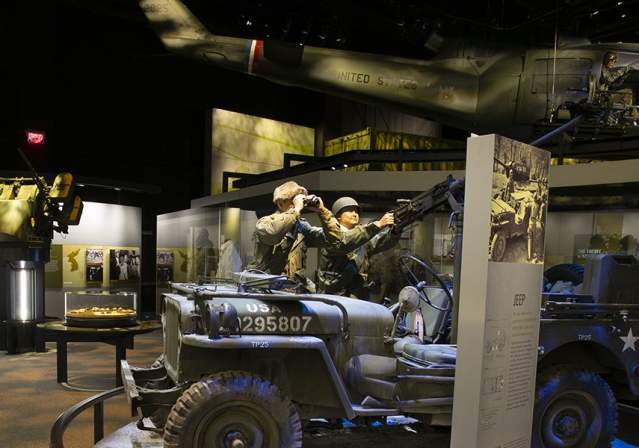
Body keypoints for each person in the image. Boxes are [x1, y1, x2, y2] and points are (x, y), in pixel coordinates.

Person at [246, 181, 340, 284]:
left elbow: (334, 239)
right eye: (292, 200)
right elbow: (274, 232)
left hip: (292, 287)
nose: (296, 203)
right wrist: (296, 210)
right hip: (266, 286)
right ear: (280, 203)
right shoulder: (265, 223)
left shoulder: (301, 227)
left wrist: (322, 211)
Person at [317, 197, 399, 300]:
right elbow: (346, 241)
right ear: (338, 216)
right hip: (334, 295)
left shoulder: (361, 237)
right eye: (350, 210)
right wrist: (378, 224)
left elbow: (380, 242)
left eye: (356, 211)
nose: (355, 214)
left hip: (357, 294)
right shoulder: (331, 236)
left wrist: (396, 230)